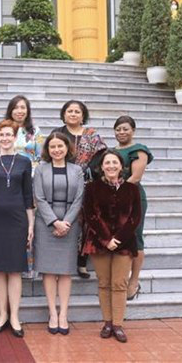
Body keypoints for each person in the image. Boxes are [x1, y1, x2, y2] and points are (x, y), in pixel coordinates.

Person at [0, 120, 33, 338]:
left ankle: (15, 316)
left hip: (18, 220)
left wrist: (30, 224)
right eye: (1, 134)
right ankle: (2, 314)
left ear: (15, 136)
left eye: (9, 134)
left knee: (15, 269)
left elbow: (28, 195)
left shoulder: (24, 161)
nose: (5, 138)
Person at [82, 150, 141, 344]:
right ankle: (107, 322)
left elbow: (135, 218)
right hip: (99, 242)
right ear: (101, 167)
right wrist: (107, 239)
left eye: (114, 162)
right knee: (104, 283)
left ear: (121, 166)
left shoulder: (132, 189)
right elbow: (90, 215)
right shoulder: (92, 188)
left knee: (119, 284)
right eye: (107, 163)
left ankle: (118, 324)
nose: (111, 166)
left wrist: (118, 239)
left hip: (124, 244)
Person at [33, 133, 84, 335]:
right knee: (48, 270)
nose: (56, 150)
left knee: (65, 271)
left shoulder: (77, 170)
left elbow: (79, 198)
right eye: (52, 146)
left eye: (60, 146)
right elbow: (39, 197)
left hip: (70, 224)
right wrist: (54, 221)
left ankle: (63, 313)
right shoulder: (41, 169)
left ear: (67, 147)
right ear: (47, 149)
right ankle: (52, 313)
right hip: (46, 223)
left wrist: (66, 222)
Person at [52, 100, 107, 278]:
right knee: (65, 219)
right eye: (70, 111)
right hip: (62, 182)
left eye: (77, 111)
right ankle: (63, 259)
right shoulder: (57, 133)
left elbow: (101, 153)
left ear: (83, 115)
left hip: (87, 184)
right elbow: (50, 153)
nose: (73, 114)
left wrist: (86, 168)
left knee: (86, 223)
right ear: (64, 114)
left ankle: (82, 261)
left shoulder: (91, 134)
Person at [113, 115, 153, 301]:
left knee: (135, 236)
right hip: (113, 200)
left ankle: (134, 281)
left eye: (125, 129)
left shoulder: (139, 150)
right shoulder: (111, 151)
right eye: (118, 129)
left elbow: (135, 177)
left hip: (133, 198)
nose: (121, 132)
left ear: (133, 131)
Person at [5, 95, 43, 278]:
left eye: (23, 107)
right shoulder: (5, 129)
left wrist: (31, 174)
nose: (20, 111)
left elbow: (39, 157)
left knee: (29, 222)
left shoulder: (34, 131)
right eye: (16, 107)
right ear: (10, 110)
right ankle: (12, 262)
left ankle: (29, 265)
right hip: (8, 180)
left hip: (30, 180)